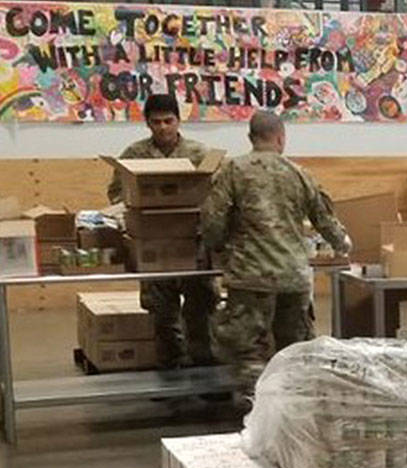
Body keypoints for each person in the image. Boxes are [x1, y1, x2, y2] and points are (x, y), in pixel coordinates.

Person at [201, 111, 351, 410]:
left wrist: (216, 247)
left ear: (250, 138)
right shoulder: (299, 173)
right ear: (281, 138)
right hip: (294, 277)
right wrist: (342, 243)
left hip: (250, 276)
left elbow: (213, 221)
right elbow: (324, 217)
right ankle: (294, 413)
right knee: (294, 351)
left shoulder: (233, 171)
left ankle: (254, 413)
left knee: (249, 351)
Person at [107, 93, 216, 369]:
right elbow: (116, 193)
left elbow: (216, 195)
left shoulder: (199, 154)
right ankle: (170, 372)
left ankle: (204, 371)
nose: (163, 127)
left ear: (179, 121)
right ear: (147, 123)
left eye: (169, 121)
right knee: (163, 316)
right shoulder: (134, 155)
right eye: (156, 122)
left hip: (192, 244)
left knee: (200, 313)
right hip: (154, 246)